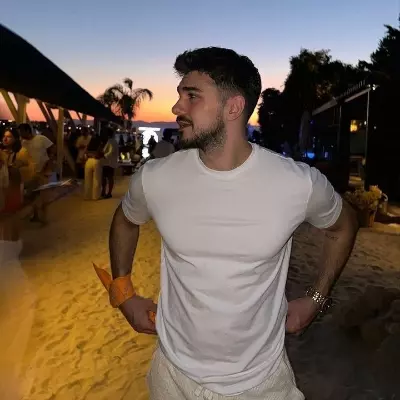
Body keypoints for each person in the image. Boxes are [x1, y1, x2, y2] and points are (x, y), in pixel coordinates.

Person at [106, 47, 359, 400]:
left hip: (260, 384)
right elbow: (124, 221)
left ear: (234, 107)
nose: (176, 108)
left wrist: (317, 298)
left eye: (191, 96)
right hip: (171, 378)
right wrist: (123, 292)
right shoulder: (156, 177)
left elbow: (344, 225)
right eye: (179, 95)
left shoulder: (297, 183)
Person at [19, 123, 55, 223]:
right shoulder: (24, 143)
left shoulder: (41, 138)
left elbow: (52, 149)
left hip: (43, 170)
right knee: (33, 195)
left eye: (21, 132)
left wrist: (49, 164)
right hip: (31, 172)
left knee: (44, 195)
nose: (20, 134)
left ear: (27, 131)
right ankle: (35, 215)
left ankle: (44, 217)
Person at [84, 134, 103, 200]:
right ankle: (95, 196)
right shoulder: (99, 144)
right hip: (96, 161)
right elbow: (100, 153)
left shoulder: (88, 145)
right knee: (96, 179)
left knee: (87, 180)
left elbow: (85, 153)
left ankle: (87, 196)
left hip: (88, 161)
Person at [101, 127, 119, 198]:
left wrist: (103, 155)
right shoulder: (113, 141)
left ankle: (108, 193)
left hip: (109, 163)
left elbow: (110, 152)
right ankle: (105, 192)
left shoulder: (111, 142)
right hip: (109, 162)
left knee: (108, 177)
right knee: (107, 177)